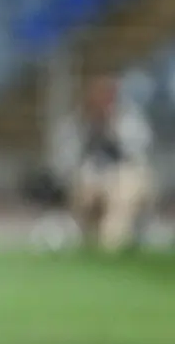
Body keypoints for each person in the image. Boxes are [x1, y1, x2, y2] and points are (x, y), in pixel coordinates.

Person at [54, 75, 155, 251]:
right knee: (83, 187)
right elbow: (65, 160)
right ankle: (84, 240)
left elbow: (137, 154)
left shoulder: (129, 120)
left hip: (124, 176)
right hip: (91, 177)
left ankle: (110, 245)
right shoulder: (77, 124)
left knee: (123, 191)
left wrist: (111, 126)